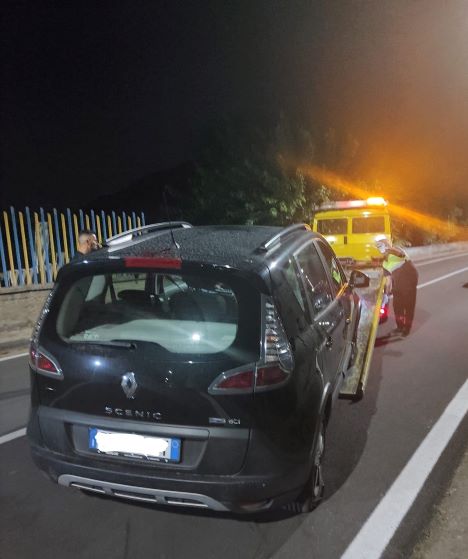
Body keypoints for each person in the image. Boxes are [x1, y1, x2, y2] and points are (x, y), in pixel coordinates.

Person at [375, 235, 418, 336]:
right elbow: (388, 280)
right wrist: (386, 294)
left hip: (409, 281)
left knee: (408, 306)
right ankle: (399, 327)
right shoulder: (385, 264)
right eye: (379, 247)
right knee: (397, 306)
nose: (382, 249)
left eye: (382, 245)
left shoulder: (397, 250)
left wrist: (389, 248)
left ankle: (406, 329)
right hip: (398, 284)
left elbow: (401, 255)